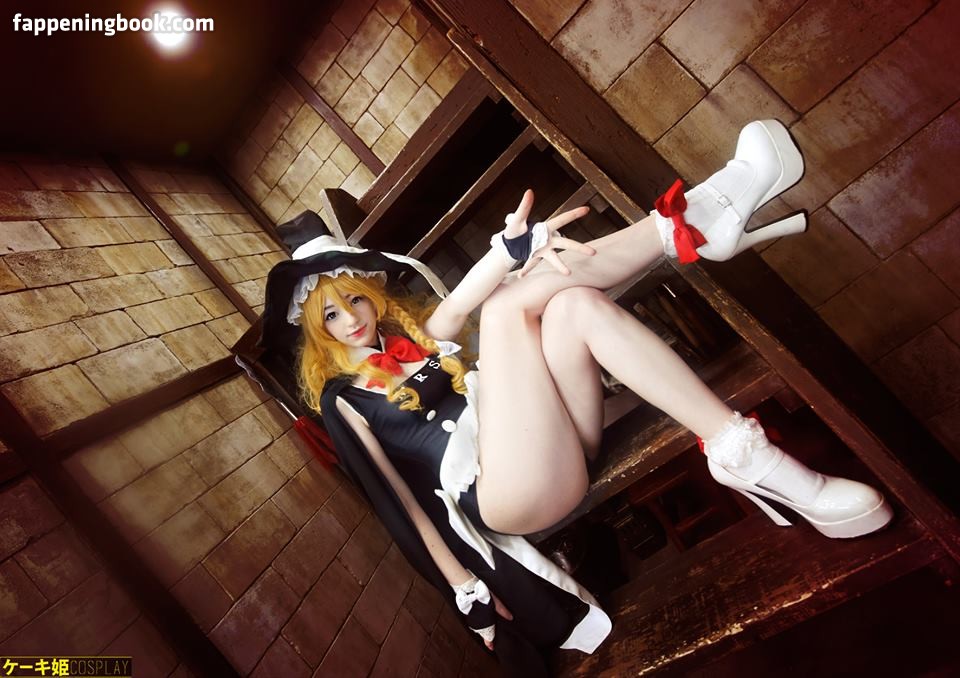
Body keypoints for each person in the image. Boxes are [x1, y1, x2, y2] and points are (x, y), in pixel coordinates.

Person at [260, 120, 892, 675]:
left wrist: (510, 252)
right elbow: (401, 509)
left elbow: (462, 302)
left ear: (373, 296)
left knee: (570, 306)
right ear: (315, 330)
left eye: (354, 300)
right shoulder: (344, 400)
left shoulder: (419, 340)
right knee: (509, 307)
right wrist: (468, 592)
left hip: (554, 445)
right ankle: (697, 221)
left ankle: (742, 452)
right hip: (503, 496)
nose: (350, 319)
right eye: (331, 315)